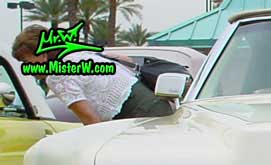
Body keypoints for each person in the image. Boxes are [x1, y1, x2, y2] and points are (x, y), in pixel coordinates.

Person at [11, 25, 173, 125]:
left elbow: (90, 119)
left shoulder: (58, 75)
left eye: (27, 61)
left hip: (137, 116)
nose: (28, 68)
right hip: (154, 104)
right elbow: (125, 60)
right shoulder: (77, 55)